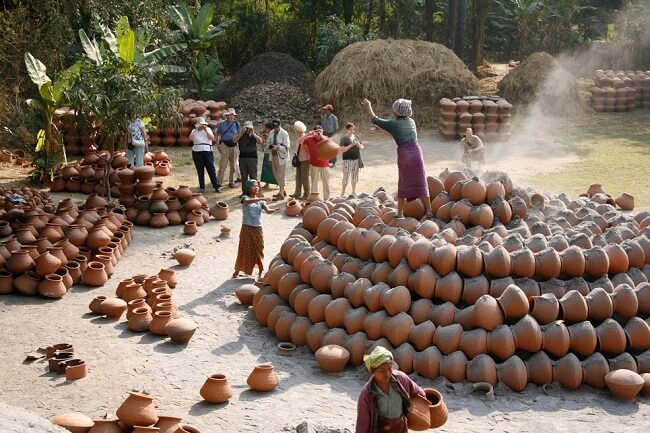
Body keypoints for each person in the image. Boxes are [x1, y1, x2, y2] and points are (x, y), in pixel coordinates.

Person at [362, 98, 433, 219]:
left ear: (397, 112)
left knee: (403, 181)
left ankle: (400, 213)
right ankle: (429, 211)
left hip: (405, 154)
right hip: (416, 152)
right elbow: (397, 133)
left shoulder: (394, 124)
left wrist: (368, 106)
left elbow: (375, 119)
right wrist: (382, 131)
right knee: (421, 181)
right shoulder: (411, 122)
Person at [356, 346, 426, 433]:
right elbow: (362, 425)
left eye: (389, 369)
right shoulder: (366, 395)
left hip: (401, 428)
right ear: (372, 372)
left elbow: (419, 392)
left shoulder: (401, 379)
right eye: (381, 371)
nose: (387, 374)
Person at [232, 179, 279, 279]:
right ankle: (237, 270)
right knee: (244, 249)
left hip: (257, 228)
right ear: (248, 188)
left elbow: (268, 210)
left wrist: (274, 210)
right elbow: (247, 202)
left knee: (259, 249)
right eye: (254, 186)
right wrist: (261, 199)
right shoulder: (245, 198)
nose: (256, 187)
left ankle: (261, 271)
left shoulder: (260, 201)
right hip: (246, 227)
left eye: (257, 186)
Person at [189, 117, 222, 193]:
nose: (201, 126)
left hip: (207, 151)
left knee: (211, 169)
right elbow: (190, 138)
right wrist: (196, 129)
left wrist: (205, 129)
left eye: (202, 124)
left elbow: (212, 138)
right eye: (200, 124)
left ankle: (216, 186)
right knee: (200, 169)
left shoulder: (208, 130)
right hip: (197, 151)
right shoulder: (194, 131)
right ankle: (202, 187)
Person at [233, 121, 264, 197]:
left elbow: (261, 141)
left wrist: (253, 134)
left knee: (253, 175)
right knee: (244, 176)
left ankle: (254, 192)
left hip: (252, 157)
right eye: (246, 128)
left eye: (249, 128)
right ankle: (245, 192)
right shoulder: (240, 134)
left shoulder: (254, 134)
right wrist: (241, 133)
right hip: (243, 157)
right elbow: (234, 140)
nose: (248, 129)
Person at [302, 125, 331, 200]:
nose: (319, 133)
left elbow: (328, 143)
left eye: (320, 131)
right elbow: (302, 143)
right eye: (317, 131)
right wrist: (309, 153)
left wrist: (321, 135)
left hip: (324, 164)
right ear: (314, 132)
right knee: (314, 182)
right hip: (314, 164)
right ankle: (314, 198)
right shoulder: (309, 138)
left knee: (326, 182)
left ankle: (327, 198)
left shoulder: (325, 138)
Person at [265, 119, 290, 200]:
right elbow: (268, 142)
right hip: (273, 155)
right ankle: (282, 190)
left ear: (280, 125)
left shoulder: (284, 133)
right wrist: (270, 146)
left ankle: (281, 193)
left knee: (281, 174)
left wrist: (278, 147)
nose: (275, 128)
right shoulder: (271, 132)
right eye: (274, 127)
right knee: (276, 173)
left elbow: (287, 147)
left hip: (281, 156)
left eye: (276, 127)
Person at [216, 108, 242, 188]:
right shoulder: (221, 124)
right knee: (223, 164)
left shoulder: (237, 124)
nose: (231, 117)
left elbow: (240, 134)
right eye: (230, 115)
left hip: (234, 146)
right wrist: (218, 145)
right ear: (227, 116)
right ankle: (219, 182)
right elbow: (216, 135)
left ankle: (231, 181)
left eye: (233, 115)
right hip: (224, 145)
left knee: (233, 165)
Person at [339, 122, 364, 196]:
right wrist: (351, 145)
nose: (352, 131)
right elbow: (342, 150)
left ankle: (353, 192)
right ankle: (342, 193)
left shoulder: (356, 137)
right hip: (347, 160)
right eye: (350, 129)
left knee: (355, 176)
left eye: (353, 129)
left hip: (356, 159)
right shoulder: (343, 138)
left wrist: (359, 146)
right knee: (346, 176)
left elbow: (362, 147)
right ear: (346, 130)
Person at [291, 120, 310, 200]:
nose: (294, 130)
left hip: (305, 159)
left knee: (304, 177)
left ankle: (306, 194)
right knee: (298, 176)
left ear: (298, 130)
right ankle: (297, 193)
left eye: (295, 129)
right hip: (299, 159)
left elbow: (301, 141)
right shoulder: (300, 137)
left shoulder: (305, 137)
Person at [260, 121, 278, 189]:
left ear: (269, 129)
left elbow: (272, 144)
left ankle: (277, 182)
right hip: (266, 153)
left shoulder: (273, 135)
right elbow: (263, 146)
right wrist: (262, 139)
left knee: (272, 168)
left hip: (272, 154)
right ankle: (267, 183)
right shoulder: (264, 135)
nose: (264, 129)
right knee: (265, 169)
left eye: (266, 128)